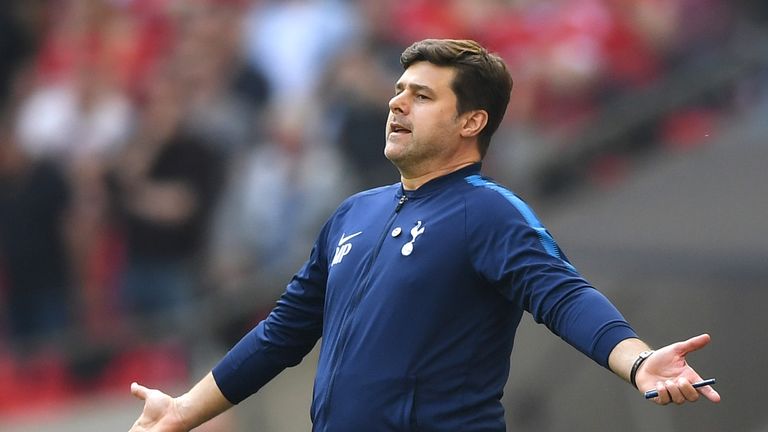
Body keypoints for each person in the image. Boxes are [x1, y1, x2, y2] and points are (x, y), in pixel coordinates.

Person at [128, 39, 720, 432]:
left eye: (422, 95)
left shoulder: (487, 213)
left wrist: (638, 360)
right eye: (398, 90)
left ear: (471, 121)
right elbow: (281, 335)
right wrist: (183, 412)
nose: (397, 103)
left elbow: (562, 297)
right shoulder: (353, 214)